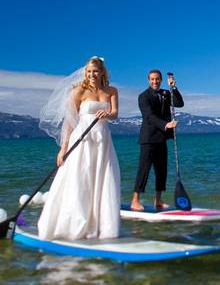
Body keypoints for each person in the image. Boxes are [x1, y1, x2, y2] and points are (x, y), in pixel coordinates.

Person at [37, 56, 121, 240]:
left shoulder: (112, 91)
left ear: (102, 72)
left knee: (102, 179)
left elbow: (114, 114)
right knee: (79, 179)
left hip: (103, 140)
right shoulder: (78, 91)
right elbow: (69, 121)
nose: (92, 74)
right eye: (89, 71)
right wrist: (63, 148)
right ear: (85, 72)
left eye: (95, 71)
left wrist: (107, 113)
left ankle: (100, 227)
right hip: (82, 140)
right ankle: (73, 225)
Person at [130, 69, 183, 211]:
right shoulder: (143, 96)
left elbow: (179, 103)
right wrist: (166, 125)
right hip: (148, 139)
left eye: (157, 79)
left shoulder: (166, 93)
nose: (155, 81)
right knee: (144, 170)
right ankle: (135, 201)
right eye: (152, 79)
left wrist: (173, 88)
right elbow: (149, 116)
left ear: (160, 80)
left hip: (162, 139)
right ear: (148, 80)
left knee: (162, 171)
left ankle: (158, 200)